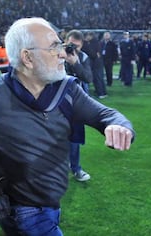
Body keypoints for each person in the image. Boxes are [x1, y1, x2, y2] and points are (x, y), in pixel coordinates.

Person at [0, 17, 135, 235]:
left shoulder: (65, 90)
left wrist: (118, 126)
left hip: (50, 206)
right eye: (54, 47)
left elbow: (106, 114)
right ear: (27, 57)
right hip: (24, 212)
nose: (62, 53)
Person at [64, 29, 93, 181]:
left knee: (75, 137)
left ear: (81, 46)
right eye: (70, 45)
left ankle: (75, 168)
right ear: (65, 41)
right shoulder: (56, 54)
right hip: (56, 102)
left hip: (76, 103)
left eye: (76, 46)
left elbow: (88, 78)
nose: (73, 49)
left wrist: (75, 63)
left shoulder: (83, 57)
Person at [82, 31, 107, 99]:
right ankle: (103, 92)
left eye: (87, 36)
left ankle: (100, 93)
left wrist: (86, 44)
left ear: (90, 36)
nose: (86, 38)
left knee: (97, 78)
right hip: (98, 63)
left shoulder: (92, 43)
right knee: (100, 78)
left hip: (96, 64)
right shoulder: (97, 42)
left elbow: (93, 54)